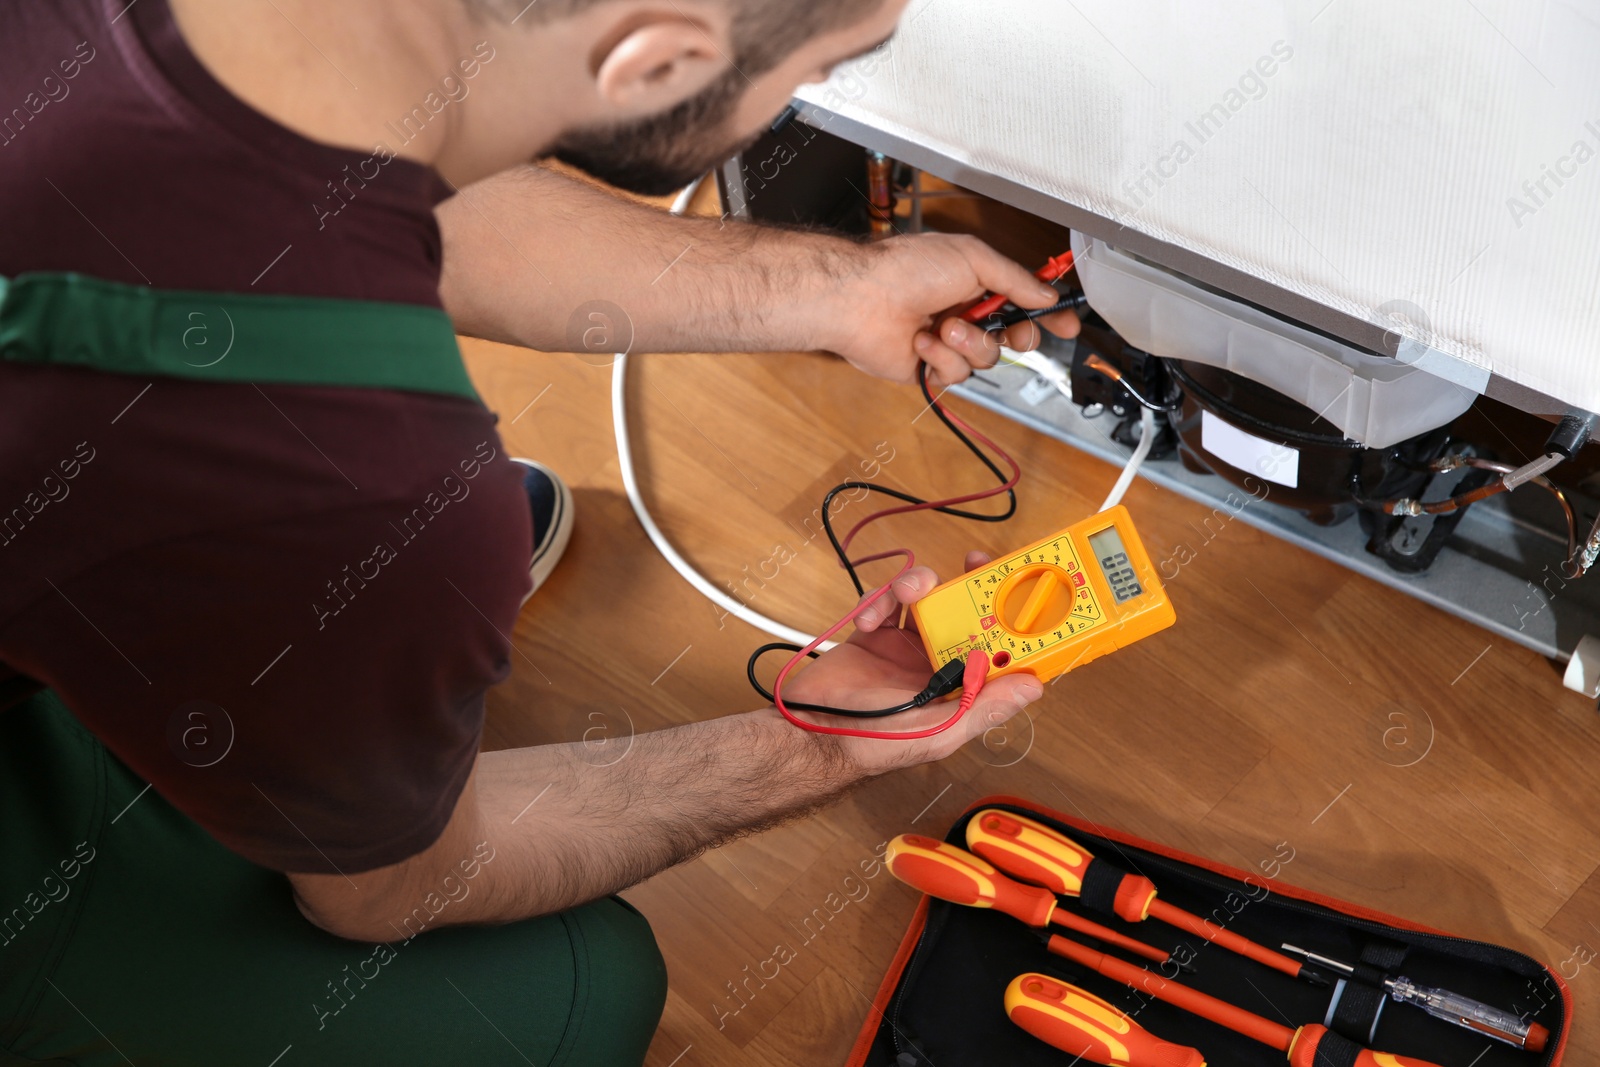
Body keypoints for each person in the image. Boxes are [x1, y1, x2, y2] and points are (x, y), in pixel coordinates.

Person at [0, 0, 1078, 1062]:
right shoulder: (356, 492)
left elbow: (387, 191)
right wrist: (826, 737)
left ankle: (298, 649)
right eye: (817, 69)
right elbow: (388, 893)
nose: (800, 96)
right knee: (575, 985)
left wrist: (841, 287)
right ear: (657, 57)